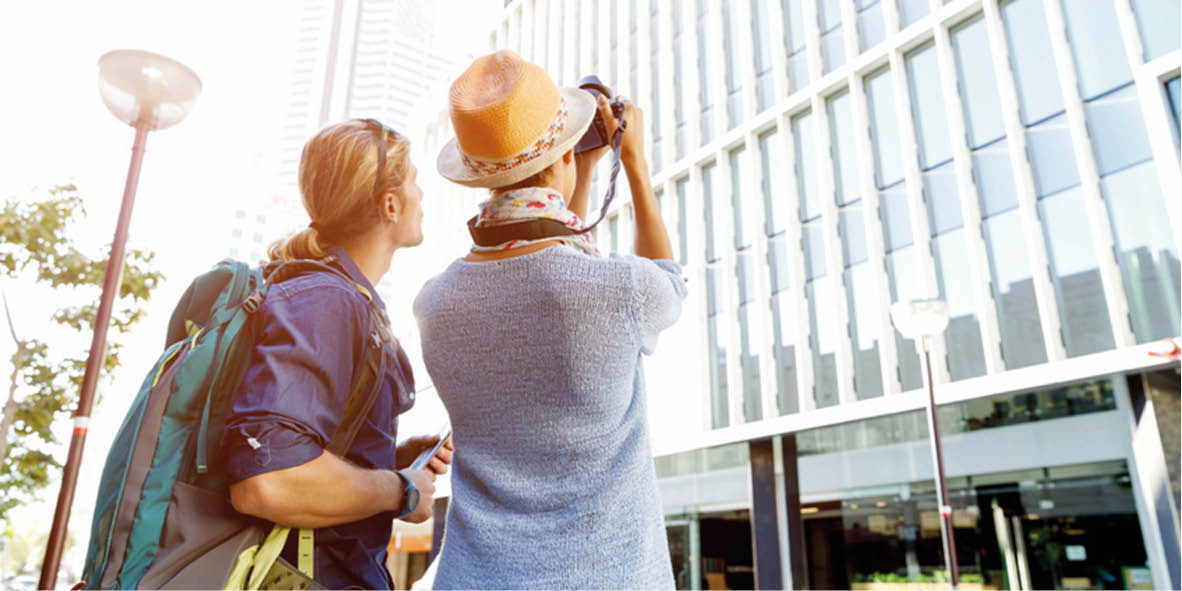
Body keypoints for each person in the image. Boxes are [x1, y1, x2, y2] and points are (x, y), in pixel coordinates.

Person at [415, 51, 686, 589]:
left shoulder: (434, 304)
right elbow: (667, 278)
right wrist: (633, 162)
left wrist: (577, 171)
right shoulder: (618, 291)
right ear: (562, 156)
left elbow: (541, 262)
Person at [220, 119, 453, 590]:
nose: (422, 194)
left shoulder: (334, 298)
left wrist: (383, 462)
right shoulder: (328, 302)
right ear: (390, 205)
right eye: (413, 180)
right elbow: (270, 481)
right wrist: (402, 490)